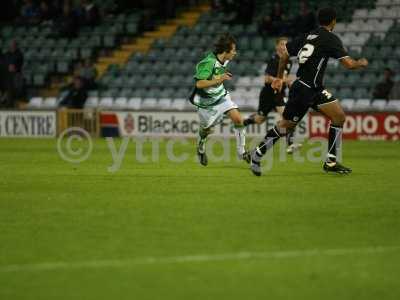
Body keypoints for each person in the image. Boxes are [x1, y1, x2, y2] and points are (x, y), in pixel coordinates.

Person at [250, 7, 368, 176]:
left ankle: (331, 161)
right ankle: (257, 153)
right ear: (333, 21)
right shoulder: (331, 38)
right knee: (286, 126)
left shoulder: (307, 35)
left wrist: (279, 77)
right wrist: (360, 63)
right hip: (304, 89)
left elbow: (284, 55)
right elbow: (349, 64)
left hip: (315, 88)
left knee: (338, 116)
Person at [190, 33, 250, 166]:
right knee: (206, 130)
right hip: (206, 103)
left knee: (238, 119)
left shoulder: (225, 59)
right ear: (225, 51)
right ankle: (200, 147)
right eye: (233, 50)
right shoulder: (209, 63)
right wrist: (220, 79)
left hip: (221, 96)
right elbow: (199, 84)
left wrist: (220, 80)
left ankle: (242, 152)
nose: (235, 53)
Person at [243, 36, 301, 154]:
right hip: (268, 93)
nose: (284, 46)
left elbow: (284, 77)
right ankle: (244, 122)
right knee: (260, 120)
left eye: (286, 44)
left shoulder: (288, 60)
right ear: (276, 46)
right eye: (281, 44)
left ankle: (291, 144)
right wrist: (284, 80)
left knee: (287, 117)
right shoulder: (273, 59)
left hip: (279, 94)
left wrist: (287, 82)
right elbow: (267, 78)